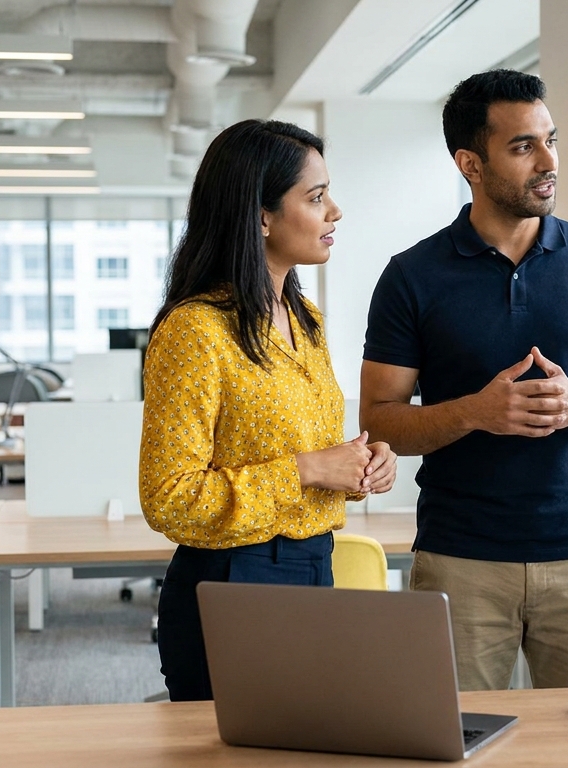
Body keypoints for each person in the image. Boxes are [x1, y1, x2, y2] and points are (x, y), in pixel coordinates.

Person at [360, 70, 568, 691]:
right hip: (459, 559)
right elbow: (381, 419)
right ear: (470, 163)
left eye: (550, 139)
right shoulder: (411, 277)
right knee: (460, 743)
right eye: (524, 147)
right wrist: (475, 411)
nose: (549, 160)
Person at [139, 119, 396, 701]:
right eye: (316, 197)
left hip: (314, 566)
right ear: (260, 216)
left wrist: (360, 467)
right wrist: (308, 470)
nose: (336, 211)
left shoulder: (307, 322)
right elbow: (168, 499)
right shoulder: (196, 331)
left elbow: (315, 454)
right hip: (233, 580)